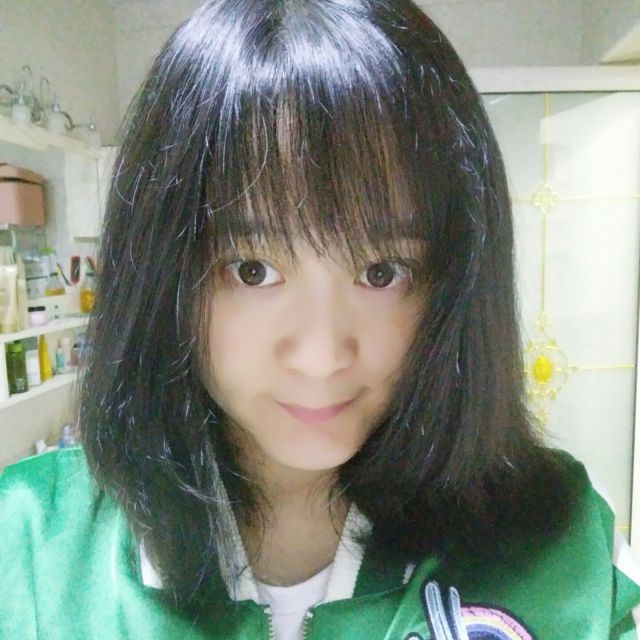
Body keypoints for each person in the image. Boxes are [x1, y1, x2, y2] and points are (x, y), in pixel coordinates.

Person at [1, 1, 639, 638]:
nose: (321, 355)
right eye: (252, 270)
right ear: (160, 273)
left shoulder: (556, 552)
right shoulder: (30, 547)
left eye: (382, 273)